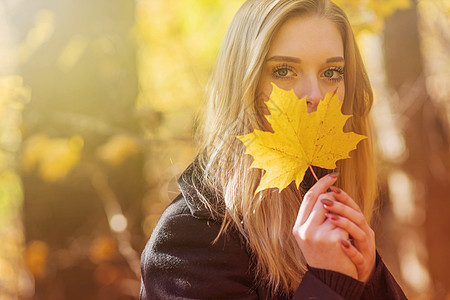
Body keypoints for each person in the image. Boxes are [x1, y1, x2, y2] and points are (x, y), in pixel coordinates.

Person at [140, 0, 408, 299]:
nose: (315, 94)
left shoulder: (333, 216)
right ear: (244, 85)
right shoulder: (189, 240)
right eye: (283, 70)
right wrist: (329, 284)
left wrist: (371, 278)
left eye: (332, 72)